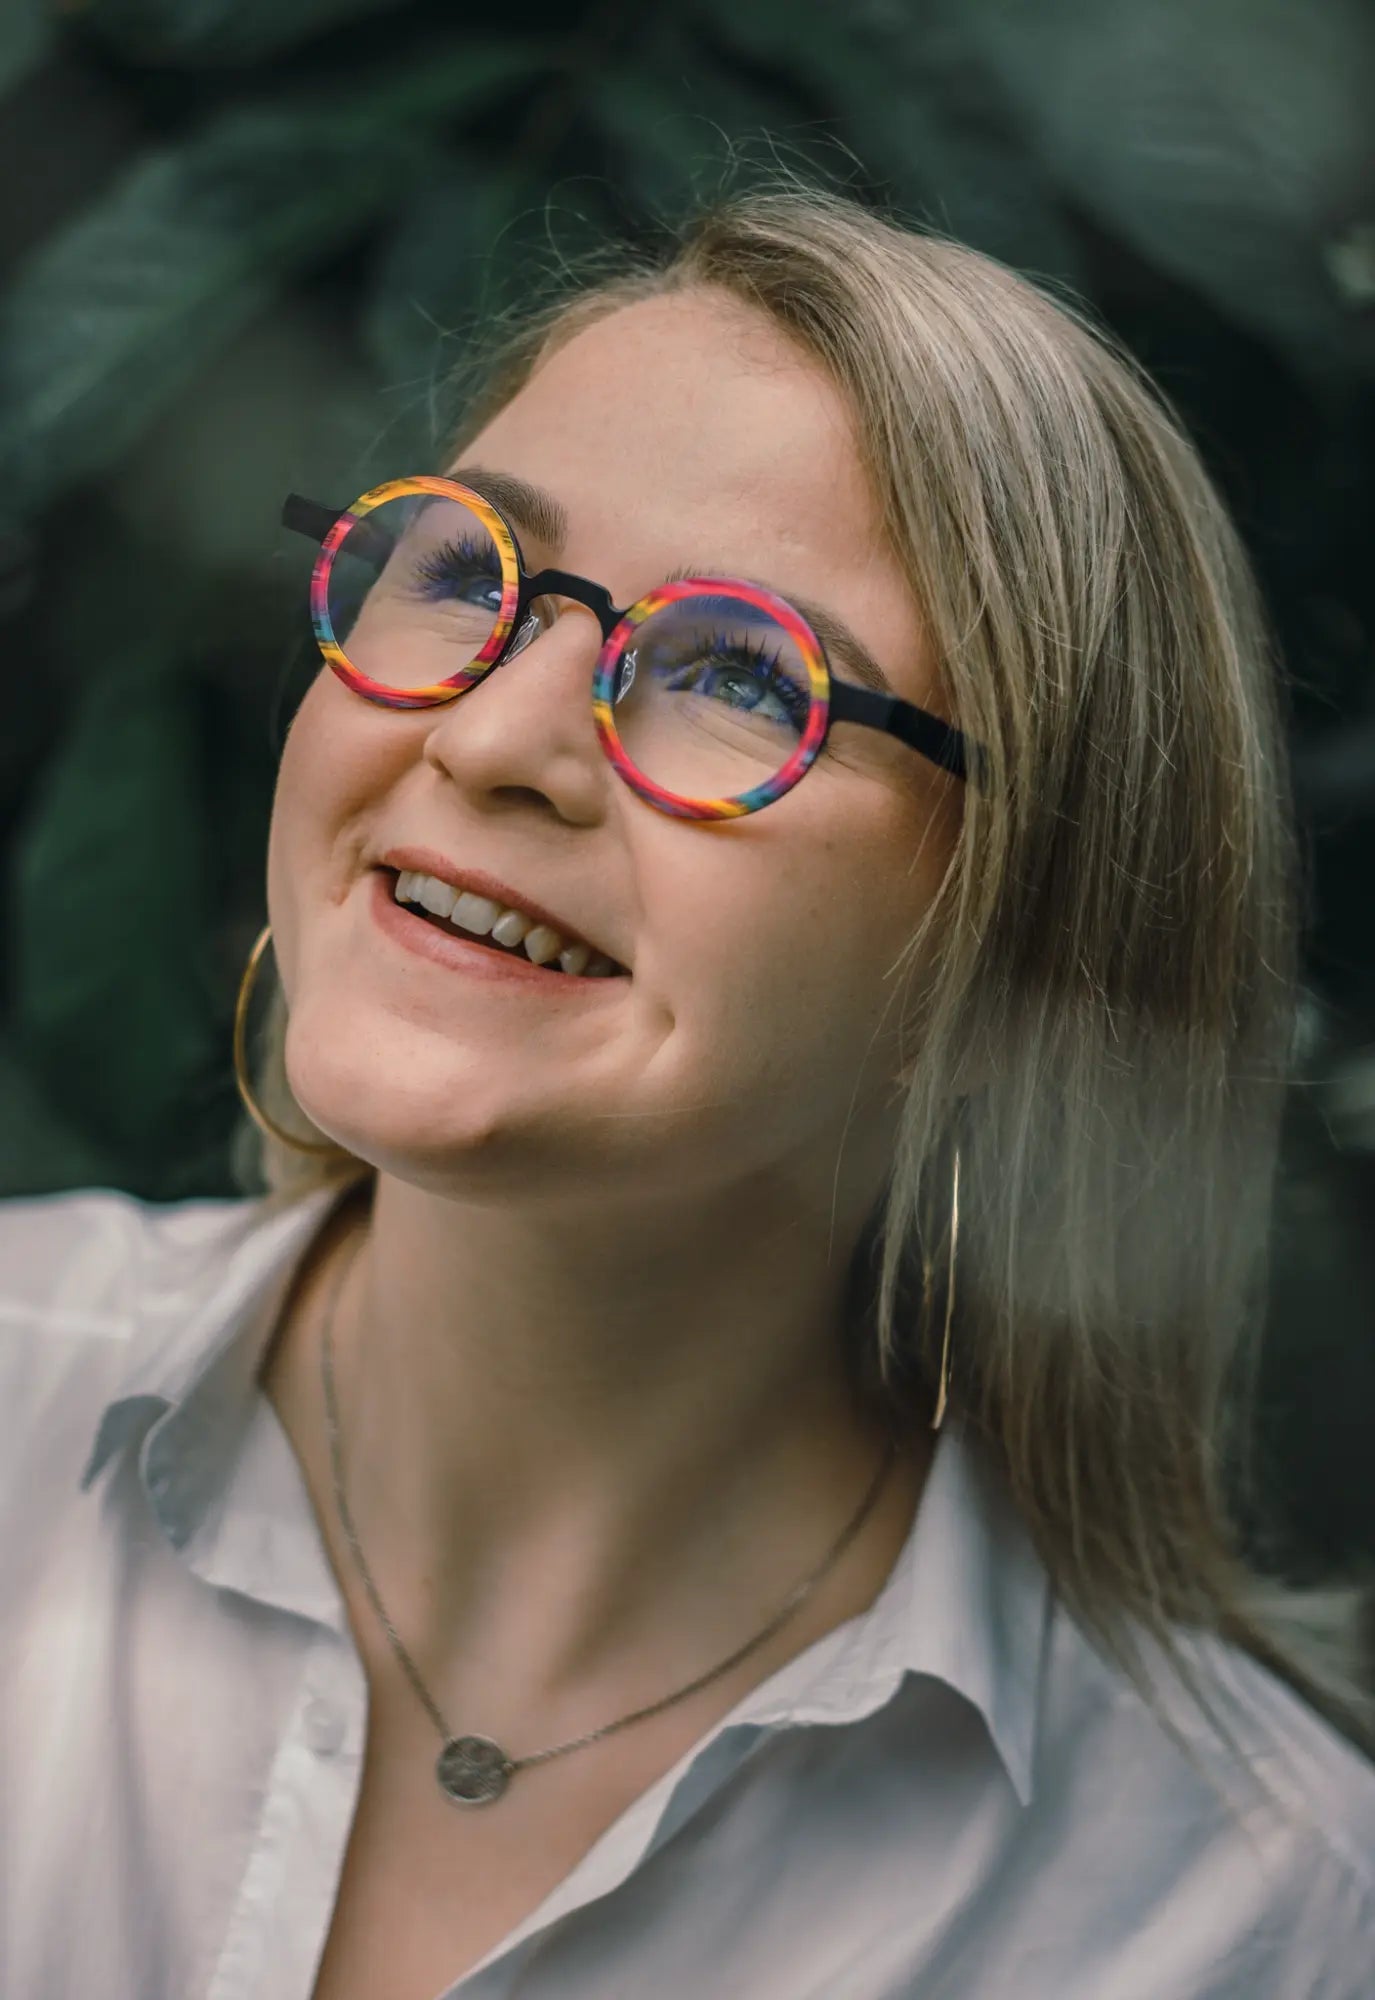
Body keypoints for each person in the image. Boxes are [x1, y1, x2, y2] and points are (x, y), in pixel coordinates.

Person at [2, 174, 1373, 2000]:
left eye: (738, 674)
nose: (494, 737)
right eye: (464, 574)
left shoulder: (1248, 1918)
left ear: (1015, 958)